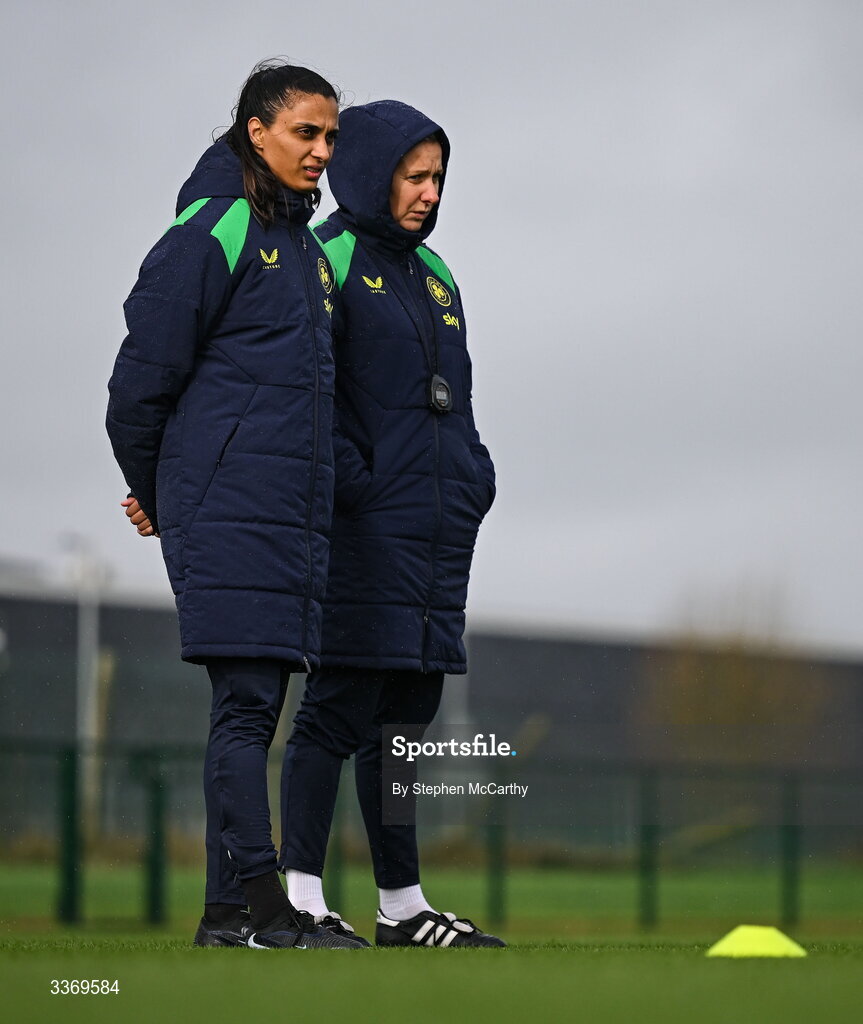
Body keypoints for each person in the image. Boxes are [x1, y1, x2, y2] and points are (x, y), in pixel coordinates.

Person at [107, 61, 366, 950]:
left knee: (254, 706)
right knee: (248, 708)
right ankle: (264, 911)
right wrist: (163, 495)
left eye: (330, 137)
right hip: (228, 511)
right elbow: (136, 390)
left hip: (286, 519)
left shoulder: (304, 250)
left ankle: (228, 917)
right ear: (257, 131)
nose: (321, 151)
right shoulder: (214, 229)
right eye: (305, 132)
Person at [277, 100, 505, 947]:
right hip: (362, 531)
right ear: (372, 171)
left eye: (437, 177)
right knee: (334, 711)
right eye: (414, 176)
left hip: (437, 537)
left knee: (403, 726)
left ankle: (402, 909)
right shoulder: (323, 256)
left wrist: (473, 478)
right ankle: (299, 898)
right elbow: (307, 394)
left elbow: (456, 404)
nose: (428, 193)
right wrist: (360, 487)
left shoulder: (438, 274)